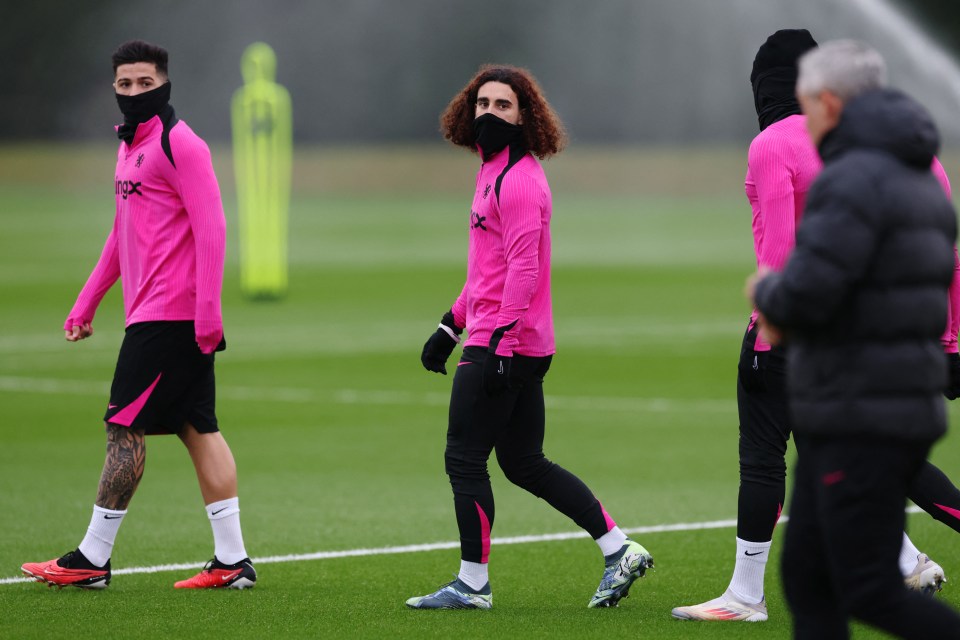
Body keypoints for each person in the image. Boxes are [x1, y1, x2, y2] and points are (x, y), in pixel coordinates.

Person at [673, 29, 960, 623]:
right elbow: (950, 257)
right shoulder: (919, 155)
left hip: (813, 342)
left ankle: (745, 596)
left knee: (765, 457)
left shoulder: (780, 144)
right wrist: (952, 340)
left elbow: (782, 251)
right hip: (902, 349)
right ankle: (906, 560)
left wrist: (764, 323)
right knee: (860, 465)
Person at [406, 65, 653, 610]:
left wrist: (497, 344)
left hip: (506, 343)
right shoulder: (491, 168)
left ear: (526, 117)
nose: (489, 114)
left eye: (503, 106)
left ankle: (472, 584)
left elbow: (522, 271)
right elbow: (486, 270)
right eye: (483, 104)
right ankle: (620, 550)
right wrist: (450, 324)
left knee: (464, 460)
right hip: (505, 336)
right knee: (524, 463)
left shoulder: (518, 180)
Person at [20, 40, 255, 590]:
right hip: (150, 313)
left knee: (122, 427)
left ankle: (92, 559)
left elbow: (213, 227)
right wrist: (88, 299)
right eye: (123, 85)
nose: (133, 93)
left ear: (164, 84)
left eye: (143, 84)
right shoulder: (129, 147)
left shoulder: (181, 145)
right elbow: (121, 232)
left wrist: (209, 312)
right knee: (199, 427)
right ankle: (233, 561)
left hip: (171, 317)